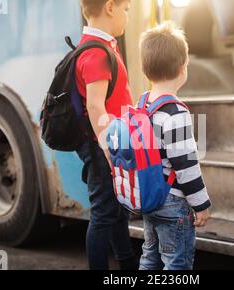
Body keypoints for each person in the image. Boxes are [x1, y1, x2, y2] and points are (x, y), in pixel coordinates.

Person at [138, 22, 212, 270]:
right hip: (172, 202)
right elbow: (186, 165)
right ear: (183, 68)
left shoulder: (143, 105)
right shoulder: (175, 112)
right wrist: (201, 204)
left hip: (149, 198)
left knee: (150, 257)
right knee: (176, 263)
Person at [75, 0, 136, 270]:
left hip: (108, 143)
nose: (127, 16)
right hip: (103, 146)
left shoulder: (101, 45)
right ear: (110, 7)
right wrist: (108, 150)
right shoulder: (96, 53)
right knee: (103, 212)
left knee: (115, 210)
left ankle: (127, 264)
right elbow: (95, 105)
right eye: (126, 9)